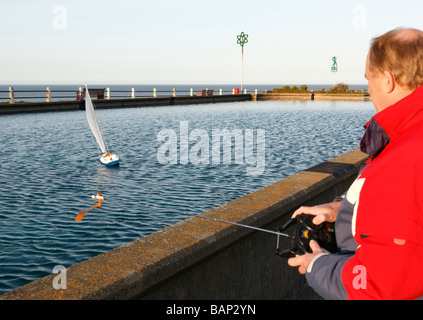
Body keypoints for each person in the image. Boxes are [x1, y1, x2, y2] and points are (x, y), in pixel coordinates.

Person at [288, 27, 423, 300]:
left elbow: (381, 285)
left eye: (369, 78)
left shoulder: (405, 156)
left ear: (387, 80)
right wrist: (343, 208)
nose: (367, 88)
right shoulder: (410, 135)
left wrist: (318, 266)